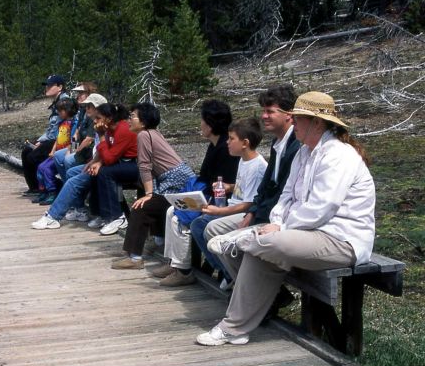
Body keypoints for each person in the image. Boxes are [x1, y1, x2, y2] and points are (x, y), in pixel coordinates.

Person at [197, 91, 375, 346]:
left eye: (298, 118)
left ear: (316, 122)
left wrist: (280, 229)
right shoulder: (305, 153)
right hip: (307, 233)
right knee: (258, 248)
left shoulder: (339, 155)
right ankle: (235, 328)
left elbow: (322, 208)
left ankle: (243, 241)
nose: (293, 121)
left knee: (264, 244)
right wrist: (278, 222)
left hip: (341, 240)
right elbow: (287, 196)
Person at [202, 84, 300, 291]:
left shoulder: (295, 146)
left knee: (219, 233)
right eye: (263, 111)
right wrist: (253, 211)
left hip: (281, 220)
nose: (264, 116)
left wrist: (256, 213)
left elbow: (284, 192)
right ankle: (249, 288)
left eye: (270, 111)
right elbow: (266, 186)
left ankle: (255, 292)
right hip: (265, 213)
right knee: (211, 229)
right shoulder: (277, 143)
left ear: (289, 115)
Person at [158, 118, 267, 286]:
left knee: (200, 225)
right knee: (192, 220)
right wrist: (228, 187)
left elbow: (249, 203)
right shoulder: (243, 160)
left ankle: (228, 273)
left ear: (245, 143)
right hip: (232, 205)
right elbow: (242, 189)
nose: (228, 142)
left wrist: (218, 212)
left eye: (231, 139)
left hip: (242, 213)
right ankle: (223, 271)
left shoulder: (257, 166)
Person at [154, 100, 239, 282]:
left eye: (202, 121)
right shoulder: (214, 144)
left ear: (210, 123)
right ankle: (174, 263)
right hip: (207, 194)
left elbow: (227, 183)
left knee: (179, 218)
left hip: (220, 200)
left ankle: (184, 270)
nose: (200, 125)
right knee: (171, 211)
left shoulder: (226, 148)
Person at [111, 103, 195, 270]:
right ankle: (159, 240)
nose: (129, 119)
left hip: (174, 182)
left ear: (143, 122)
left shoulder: (143, 135)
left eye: (133, 116)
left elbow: (144, 166)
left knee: (141, 207)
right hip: (178, 179)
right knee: (149, 199)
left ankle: (135, 257)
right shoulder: (153, 133)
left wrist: (149, 193)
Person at [31, 93, 108, 229]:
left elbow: (95, 144)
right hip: (90, 156)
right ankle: (75, 205)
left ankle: (53, 216)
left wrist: (78, 152)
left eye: (89, 106)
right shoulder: (85, 116)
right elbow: (77, 136)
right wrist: (73, 149)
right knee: (64, 161)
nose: (85, 106)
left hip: (91, 157)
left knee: (70, 167)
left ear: (97, 108)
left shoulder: (102, 124)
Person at [89, 103, 139, 236]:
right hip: (121, 162)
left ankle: (117, 217)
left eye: (98, 118)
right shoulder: (110, 129)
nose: (95, 121)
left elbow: (110, 158)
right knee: (94, 172)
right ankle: (102, 214)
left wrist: (100, 137)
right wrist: (98, 162)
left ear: (109, 118)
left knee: (106, 173)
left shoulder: (122, 130)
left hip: (136, 165)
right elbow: (109, 153)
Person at [21, 75, 69, 195]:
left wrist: (42, 142)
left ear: (60, 87)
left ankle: (55, 186)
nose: (47, 88)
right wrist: (40, 140)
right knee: (26, 151)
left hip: (61, 140)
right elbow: (51, 128)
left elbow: (59, 129)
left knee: (33, 156)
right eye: (47, 85)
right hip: (51, 138)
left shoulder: (64, 102)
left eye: (50, 85)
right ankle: (35, 187)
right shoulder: (56, 102)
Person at [34, 97, 79, 205]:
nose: (58, 112)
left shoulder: (74, 123)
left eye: (60, 110)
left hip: (65, 152)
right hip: (57, 152)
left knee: (47, 169)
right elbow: (58, 139)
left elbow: (74, 140)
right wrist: (53, 151)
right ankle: (43, 190)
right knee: (40, 167)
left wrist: (70, 152)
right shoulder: (61, 123)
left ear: (68, 110)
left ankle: (52, 192)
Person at [53, 82, 98, 181]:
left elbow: (89, 139)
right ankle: (66, 184)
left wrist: (76, 151)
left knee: (68, 159)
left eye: (81, 93)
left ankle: (74, 185)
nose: (78, 96)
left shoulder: (93, 113)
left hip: (88, 150)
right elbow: (76, 133)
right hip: (79, 145)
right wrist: (72, 149)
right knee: (57, 156)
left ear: (88, 94)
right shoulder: (82, 110)